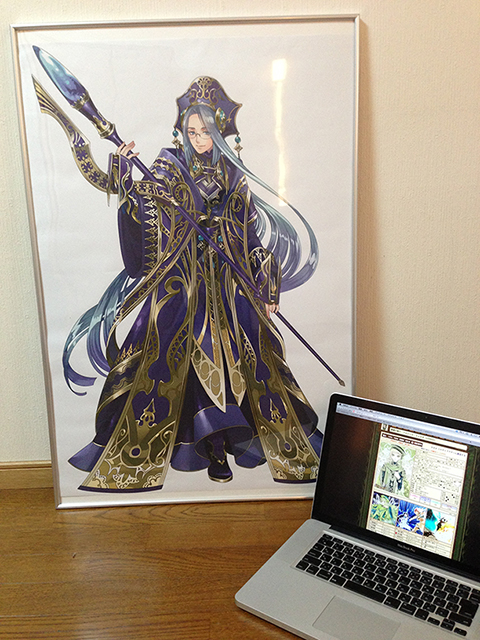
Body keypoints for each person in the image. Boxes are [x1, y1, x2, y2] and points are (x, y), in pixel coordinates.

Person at [65, 76, 322, 492]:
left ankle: (237, 439)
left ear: (220, 130)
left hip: (230, 282)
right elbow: (143, 211)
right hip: (184, 281)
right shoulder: (168, 166)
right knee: (184, 352)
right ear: (183, 131)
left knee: (248, 352)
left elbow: (249, 236)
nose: (199, 138)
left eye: (206, 131)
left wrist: (266, 284)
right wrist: (127, 171)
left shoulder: (233, 173)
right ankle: (211, 446)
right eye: (192, 131)